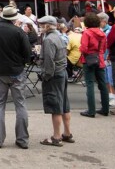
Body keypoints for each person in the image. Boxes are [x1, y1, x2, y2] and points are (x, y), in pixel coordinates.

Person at [0, 5, 31, 149]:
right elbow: (27, 54)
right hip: (16, 71)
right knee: (20, 104)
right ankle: (22, 139)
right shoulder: (19, 32)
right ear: (14, 18)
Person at [39, 16, 72, 147]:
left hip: (54, 74)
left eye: (42, 25)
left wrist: (46, 76)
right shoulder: (59, 36)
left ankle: (56, 136)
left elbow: (49, 61)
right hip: (62, 72)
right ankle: (67, 133)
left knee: (55, 105)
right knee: (64, 103)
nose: (40, 27)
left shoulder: (49, 40)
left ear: (47, 26)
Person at [79, 12, 108, 118]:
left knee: (90, 84)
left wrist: (81, 50)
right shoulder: (102, 33)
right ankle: (105, 109)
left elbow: (84, 48)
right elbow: (104, 48)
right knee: (103, 85)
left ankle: (91, 110)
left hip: (89, 60)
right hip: (100, 59)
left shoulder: (86, 33)